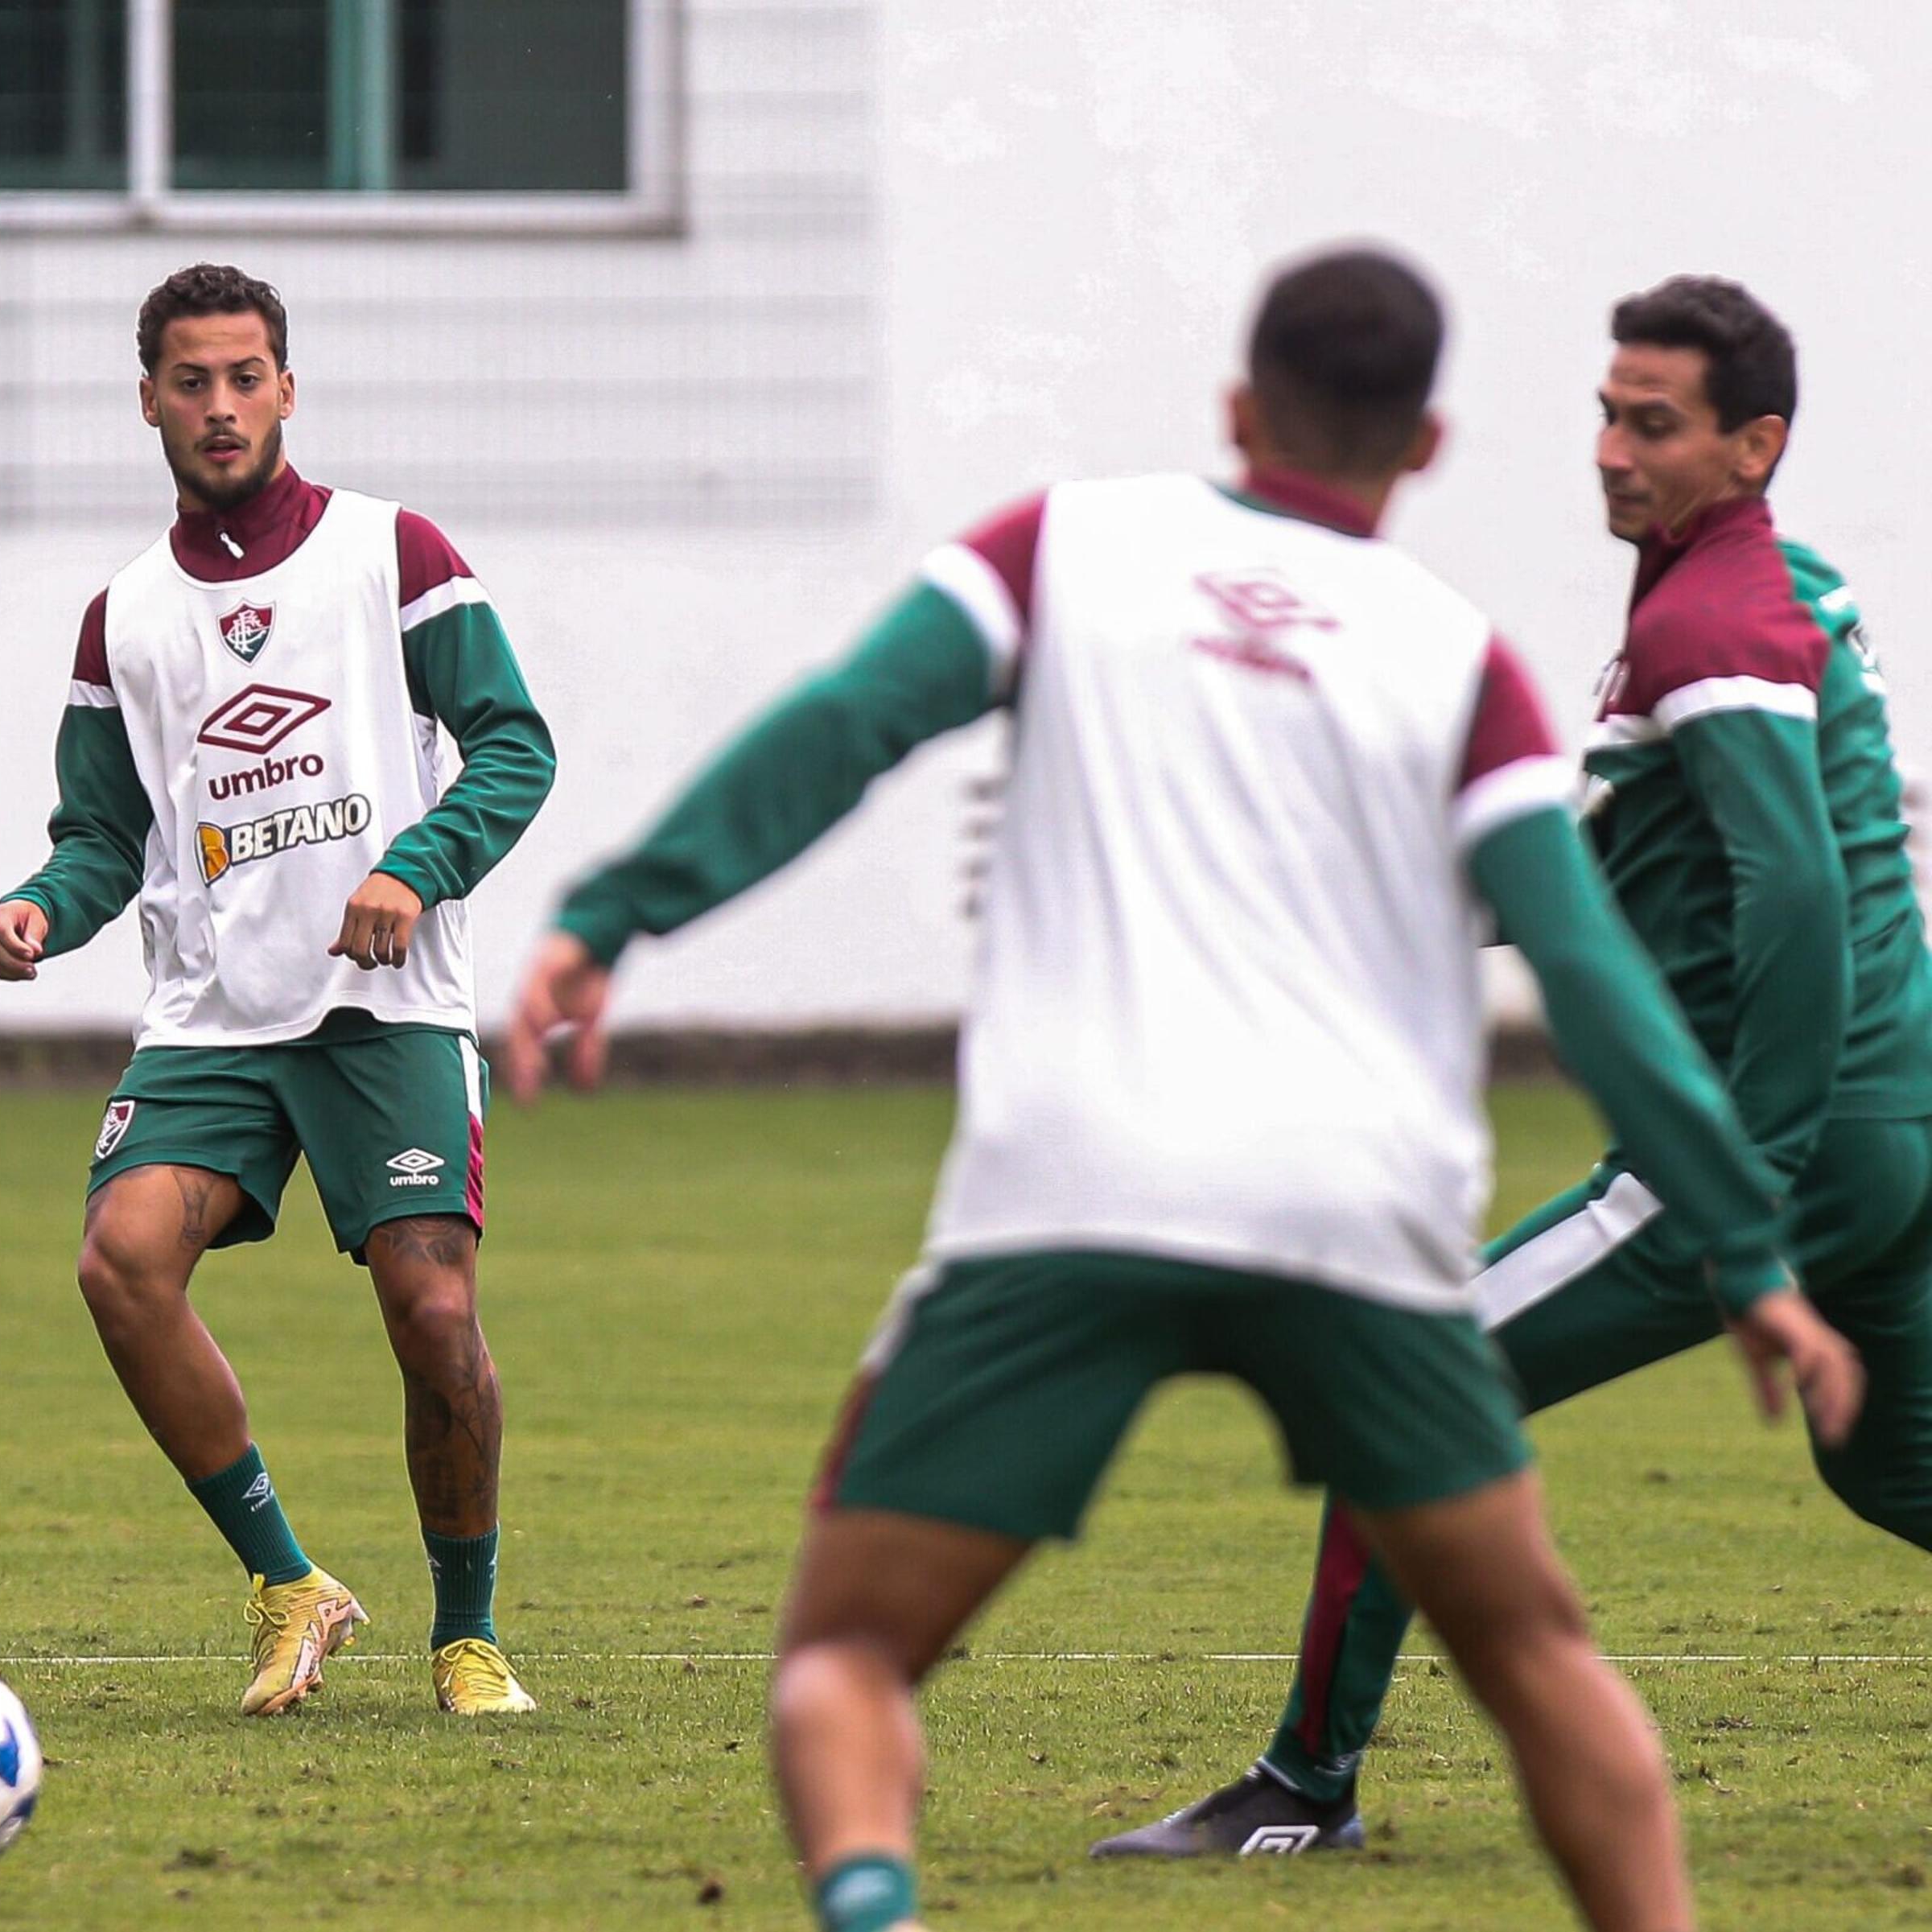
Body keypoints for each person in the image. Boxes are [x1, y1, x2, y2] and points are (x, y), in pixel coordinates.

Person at [504, 248, 1863, 1932]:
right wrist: (1746, 1243)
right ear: (1426, 445)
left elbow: (853, 722)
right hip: (1357, 1221)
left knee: (849, 1655)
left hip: (1072, 1192)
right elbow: (1590, 974)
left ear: (1237, 407)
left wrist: (613, 915)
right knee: (1533, 1652)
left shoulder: (1062, 545)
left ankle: (870, 1900)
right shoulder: (1460, 656)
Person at [1096, 275, 1932, 1860]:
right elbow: (1644, 860)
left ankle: (1303, 1790)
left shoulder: (1713, 622)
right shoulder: (1787, 586)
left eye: (1654, 423)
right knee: (1893, 1455)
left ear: (1754, 446)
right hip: (1898, 1131)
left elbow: (1803, 893)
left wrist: (1747, 1162)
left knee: (1409, 1381)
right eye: (1607, 413)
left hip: (1778, 1150)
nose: (1611, 450)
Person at [0, 262, 558, 1718]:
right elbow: (104, 836)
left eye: (247, 378)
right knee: (119, 1261)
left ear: (288, 388)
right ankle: (289, 1582)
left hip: (388, 1005)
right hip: (215, 1017)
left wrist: (413, 870)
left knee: (434, 1318)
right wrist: (43, 907)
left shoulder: (392, 554)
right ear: (151, 403)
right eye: (193, 382)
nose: (222, 407)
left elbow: (512, 747)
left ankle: (467, 1636)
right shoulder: (123, 618)